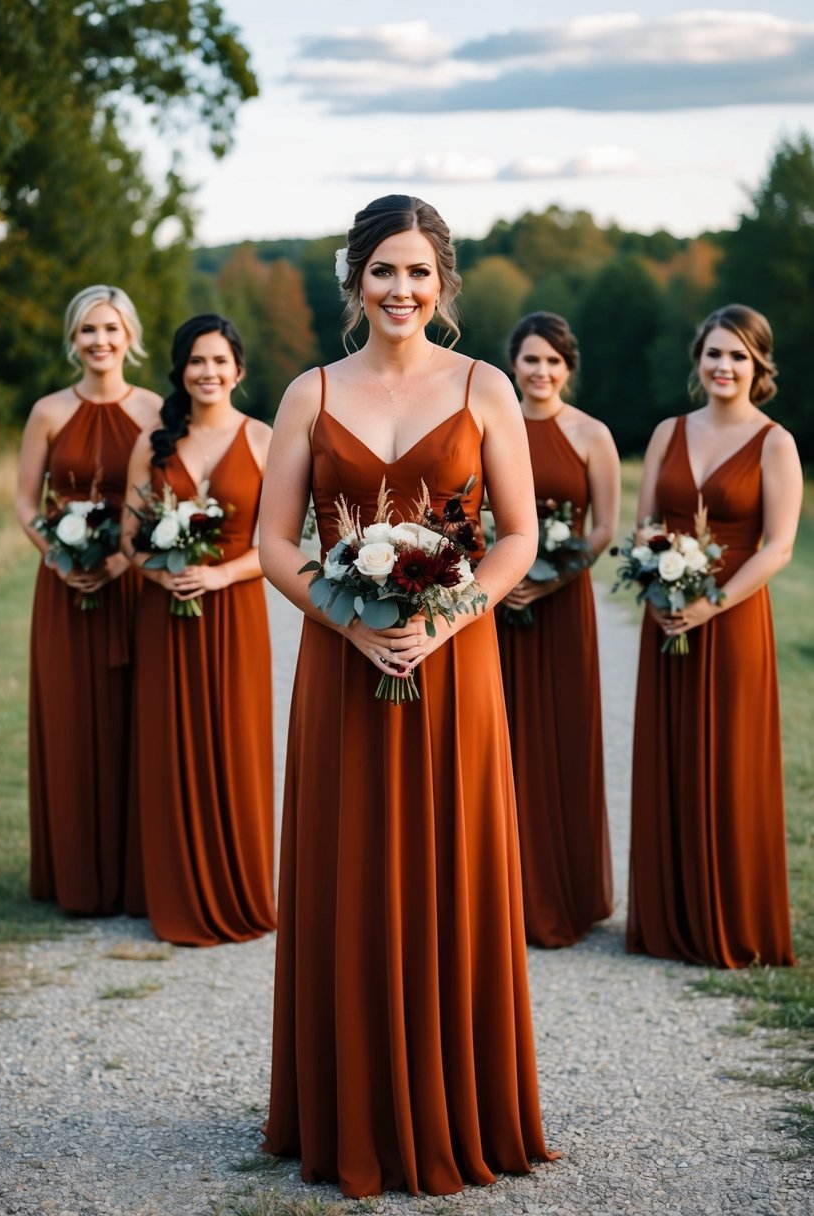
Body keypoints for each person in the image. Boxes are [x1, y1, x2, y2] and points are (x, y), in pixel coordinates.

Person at [259, 196, 557, 1198]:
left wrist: (444, 618)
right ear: (354, 280)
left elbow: (516, 535)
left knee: (450, 862)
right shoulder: (309, 392)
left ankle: (455, 1101)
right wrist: (351, 621)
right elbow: (270, 543)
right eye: (382, 271)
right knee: (349, 868)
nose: (399, 289)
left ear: (443, 284)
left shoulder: (483, 387)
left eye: (417, 272)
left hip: (455, 662)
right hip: (342, 667)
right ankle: (344, 1106)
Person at [628, 303, 802, 967]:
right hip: (663, 612)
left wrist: (710, 605)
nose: (723, 366)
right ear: (697, 361)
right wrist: (658, 588)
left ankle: (729, 919)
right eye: (713, 353)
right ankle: (666, 918)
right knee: (669, 752)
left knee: (728, 762)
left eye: (738, 356)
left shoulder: (774, 443)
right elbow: (645, 525)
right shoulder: (668, 431)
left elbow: (779, 547)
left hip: (731, 623)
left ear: (758, 366)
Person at [122, 315, 276, 946]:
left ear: (238, 370)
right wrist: (160, 577)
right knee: (168, 743)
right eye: (195, 362)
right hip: (164, 615)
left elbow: (279, 545)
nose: (207, 373)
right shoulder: (152, 443)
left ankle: (241, 888)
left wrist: (217, 578)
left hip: (235, 613)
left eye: (219, 361)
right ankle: (175, 889)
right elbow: (132, 539)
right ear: (179, 372)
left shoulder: (266, 439)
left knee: (236, 745)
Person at [15, 285, 161, 914]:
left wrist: (124, 559)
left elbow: (162, 504)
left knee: (134, 722)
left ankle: (132, 877)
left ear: (130, 336)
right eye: (87, 332)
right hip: (63, 587)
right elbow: (25, 501)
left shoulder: (158, 411)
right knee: (70, 721)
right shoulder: (48, 411)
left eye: (110, 330)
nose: (100, 342)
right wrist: (54, 553)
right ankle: (72, 873)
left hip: (130, 586)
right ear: (73, 340)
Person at [497, 312, 619, 947]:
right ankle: (501, 894)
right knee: (503, 741)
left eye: (553, 361)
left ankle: (565, 890)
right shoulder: (491, 424)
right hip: (497, 608)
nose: (541, 372)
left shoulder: (592, 434)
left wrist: (550, 578)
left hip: (564, 604)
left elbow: (602, 527)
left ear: (568, 367)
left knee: (565, 739)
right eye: (530, 359)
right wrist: (502, 573)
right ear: (513, 362)